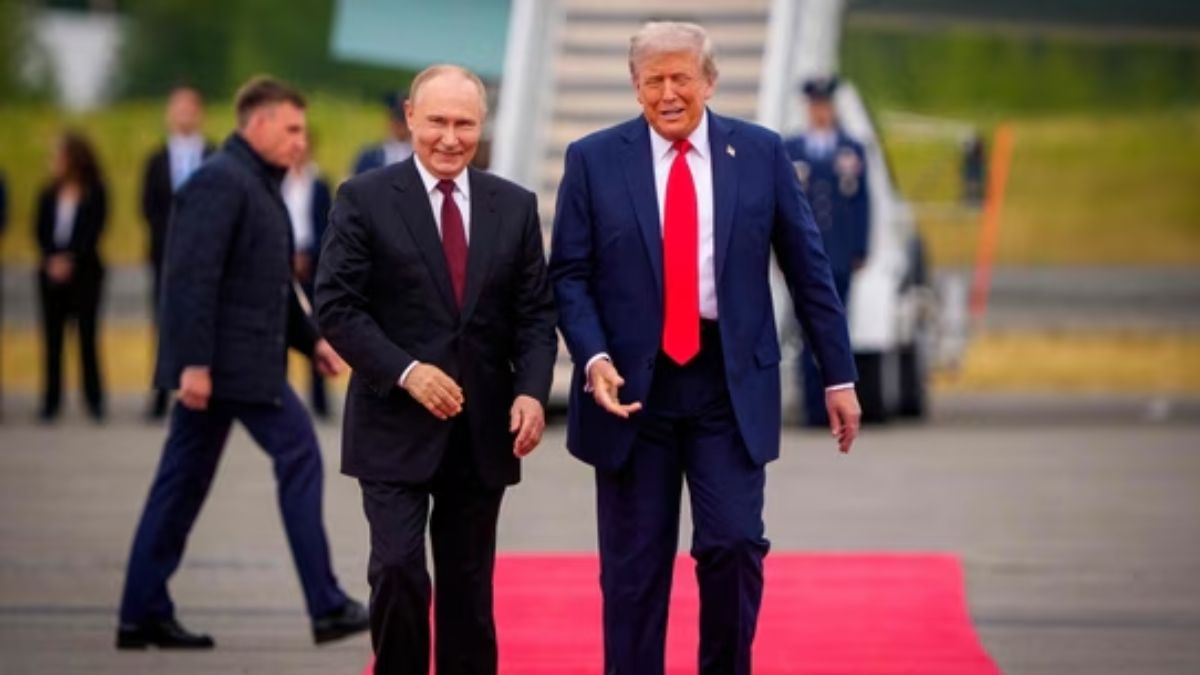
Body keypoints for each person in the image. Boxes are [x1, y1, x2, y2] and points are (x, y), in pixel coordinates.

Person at [548, 22, 861, 674]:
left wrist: (838, 375)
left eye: (680, 77)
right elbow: (568, 276)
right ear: (635, 86)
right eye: (654, 79)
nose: (668, 92)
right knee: (635, 573)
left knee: (735, 544)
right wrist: (595, 358)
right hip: (634, 392)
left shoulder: (761, 153)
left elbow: (808, 270)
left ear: (708, 82)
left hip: (728, 383)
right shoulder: (593, 159)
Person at [315, 64, 557, 675]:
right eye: (438, 122)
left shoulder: (515, 206)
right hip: (393, 425)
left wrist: (531, 393)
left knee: (468, 593)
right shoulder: (364, 198)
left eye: (465, 123)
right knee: (397, 569)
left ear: (483, 126)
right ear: (410, 119)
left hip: (480, 434)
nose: (450, 138)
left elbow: (534, 316)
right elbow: (337, 307)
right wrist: (406, 371)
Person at [117, 77, 368, 650]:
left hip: (235, 363)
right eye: (292, 129)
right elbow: (190, 280)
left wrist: (313, 343)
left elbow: (270, 286)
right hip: (231, 367)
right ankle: (327, 604)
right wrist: (193, 366)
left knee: (180, 484)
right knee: (300, 453)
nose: (302, 142)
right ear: (256, 125)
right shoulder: (219, 182)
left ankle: (141, 612)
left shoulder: (255, 184)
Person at [783, 76, 871, 427]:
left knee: (835, 327)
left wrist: (860, 246)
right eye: (814, 105)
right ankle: (812, 407)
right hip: (801, 255)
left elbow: (862, 202)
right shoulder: (792, 148)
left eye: (825, 105)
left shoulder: (850, 149)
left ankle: (837, 398)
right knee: (805, 329)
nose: (820, 112)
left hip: (837, 252)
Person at [141, 85, 215, 419]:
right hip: (166, 254)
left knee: (207, 319)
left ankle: (206, 386)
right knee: (164, 320)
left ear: (200, 113)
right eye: (178, 108)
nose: (184, 114)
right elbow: (148, 207)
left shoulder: (215, 156)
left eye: (190, 108)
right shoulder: (156, 160)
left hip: (208, 255)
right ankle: (161, 392)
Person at [35, 131, 108, 422]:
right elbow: (39, 229)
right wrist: (52, 258)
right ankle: (51, 401)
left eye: (59, 155)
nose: (54, 162)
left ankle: (94, 399)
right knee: (52, 339)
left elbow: (96, 228)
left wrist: (71, 258)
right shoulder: (48, 193)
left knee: (87, 338)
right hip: (50, 273)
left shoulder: (95, 192)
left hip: (85, 272)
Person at [282, 134, 333, 417]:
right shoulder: (279, 183)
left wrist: (309, 254)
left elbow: (327, 224)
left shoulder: (319, 183)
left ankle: (319, 398)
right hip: (283, 261)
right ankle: (282, 395)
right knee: (283, 328)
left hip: (313, 263)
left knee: (316, 328)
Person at [350, 92, 413, 175]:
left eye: (403, 121)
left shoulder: (422, 158)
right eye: (396, 119)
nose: (400, 126)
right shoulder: (370, 157)